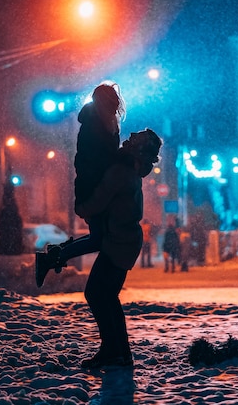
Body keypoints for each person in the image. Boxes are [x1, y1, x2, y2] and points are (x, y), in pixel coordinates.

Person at [74, 129, 162, 369]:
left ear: (139, 148)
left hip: (118, 242)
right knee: (108, 297)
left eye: (137, 137)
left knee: (96, 294)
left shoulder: (121, 171)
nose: (131, 135)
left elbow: (100, 199)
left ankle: (113, 351)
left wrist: (82, 207)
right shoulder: (131, 169)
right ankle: (120, 352)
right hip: (125, 240)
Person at [36, 81, 125, 287]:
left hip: (100, 189)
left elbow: (101, 159)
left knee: (101, 238)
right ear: (104, 103)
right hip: (94, 190)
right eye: (112, 102)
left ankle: (57, 255)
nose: (115, 106)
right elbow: (92, 161)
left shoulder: (105, 123)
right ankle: (54, 256)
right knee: (100, 239)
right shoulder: (94, 125)